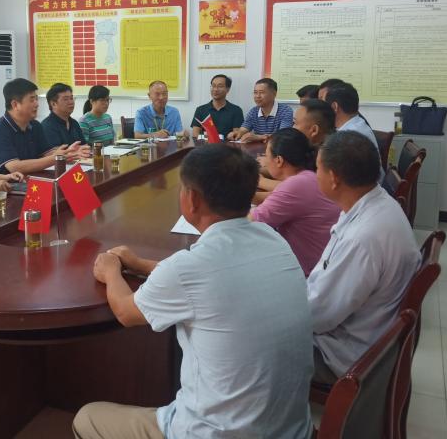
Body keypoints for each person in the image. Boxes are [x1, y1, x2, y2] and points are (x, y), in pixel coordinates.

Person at [74, 144, 313, 439]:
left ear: (192, 200)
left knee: (87, 417)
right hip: (291, 429)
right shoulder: (272, 239)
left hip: (217, 433)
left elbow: (125, 311)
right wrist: (139, 264)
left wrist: (111, 271)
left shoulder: (191, 267)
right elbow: (202, 277)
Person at [308, 131, 420, 383]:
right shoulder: (377, 202)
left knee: (252, 341)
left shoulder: (362, 238)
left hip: (343, 354)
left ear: (333, 178)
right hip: (362, 332)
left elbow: (320, 316)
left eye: (317, 169)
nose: (315, 175)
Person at [249, 129, 341, 276]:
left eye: (267, 155)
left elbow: (253, 221)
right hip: (326, 264)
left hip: (311, 275)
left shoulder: (296, 184)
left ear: (279, 160)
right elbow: (272, 198)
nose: (265, 161)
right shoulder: (308, 176)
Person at [0, 78, 89, 174]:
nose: (37, 104)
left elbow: (46, 153)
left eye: (37, 99)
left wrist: (68, 152)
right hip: (3, 186)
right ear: (15, 104)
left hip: (30, 179)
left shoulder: (35, 125)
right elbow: (15, 167)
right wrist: (57, 158)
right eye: (32, 100)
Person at [227, 78, 293, 142]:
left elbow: (283, 135)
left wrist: (259, 137)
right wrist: (236, 133)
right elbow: (243, 129)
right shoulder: (253, 111)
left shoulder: (285, 110)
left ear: (274, 94)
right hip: (257, 148)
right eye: (255, 92)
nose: (257, 96)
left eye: (262, 92)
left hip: (277, 148)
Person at [190, 74, 244, 139]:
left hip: (227, 145)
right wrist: (212, 138)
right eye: (213, 86)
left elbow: (236, 135)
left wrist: (228, 137)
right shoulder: (200, 110)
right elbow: (195, 134)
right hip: (206, 144)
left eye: (220, 86)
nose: (215, 89)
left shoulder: (236, 110)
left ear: (228, 89)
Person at [41, 83, 86, 148]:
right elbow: (56, 153)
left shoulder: (74, 123)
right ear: (53, 104)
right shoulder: (47, 126)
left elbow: (84, 146)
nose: (71, 102)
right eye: (66, 99)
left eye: (71, 98)